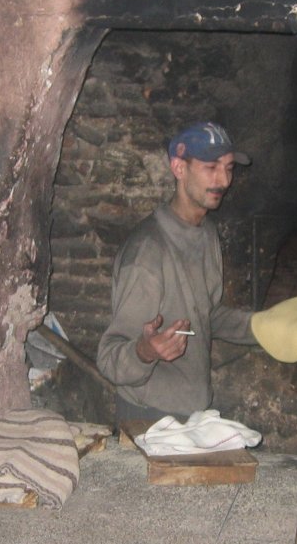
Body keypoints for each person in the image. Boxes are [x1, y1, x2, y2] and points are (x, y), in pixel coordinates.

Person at [97, 122, 257, 424]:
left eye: (229, 167)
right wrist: (145, 351)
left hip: (193, 408)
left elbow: (205, 314)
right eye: (211, 167)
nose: (224, 180)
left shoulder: (206, 233)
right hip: (150, 417)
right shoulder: (148, 252)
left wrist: (264, 328)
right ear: (178, 168)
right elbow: (109, 358)